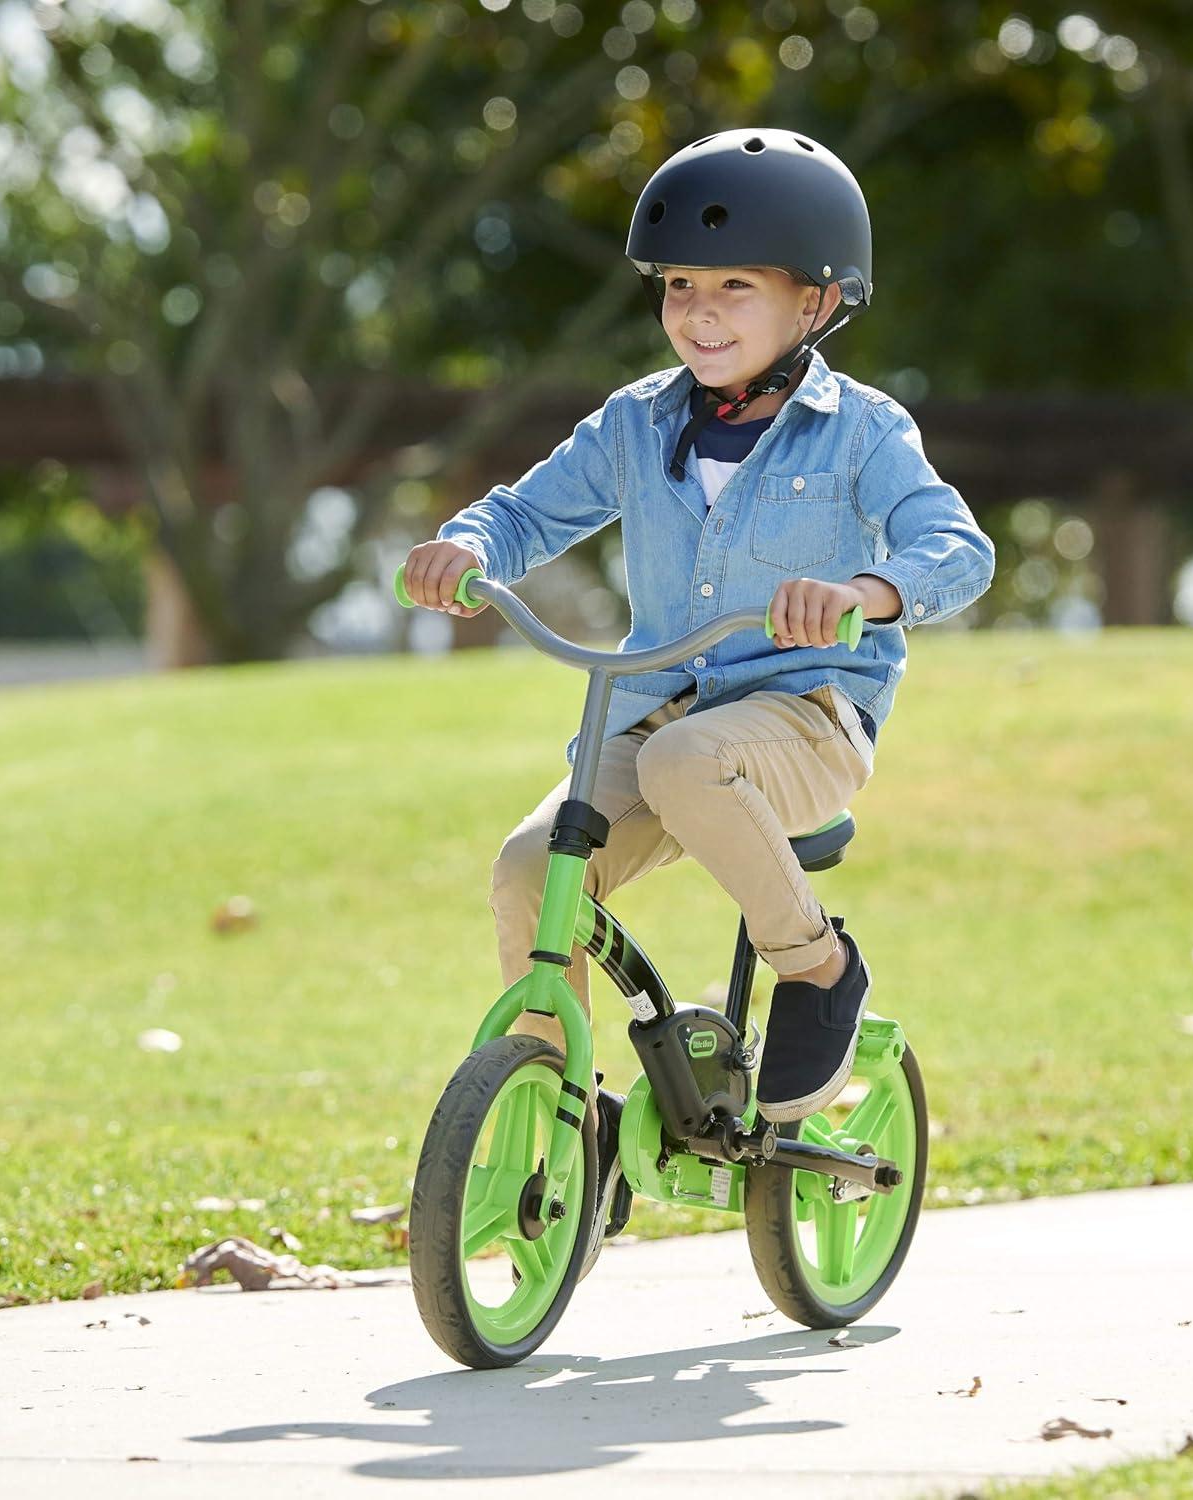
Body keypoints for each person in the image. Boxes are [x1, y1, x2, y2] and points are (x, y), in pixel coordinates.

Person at [402, 129, 994, 1265]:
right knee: (530, 869)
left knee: (688, 765)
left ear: (816, 301)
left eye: (736, 287)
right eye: (680, 286)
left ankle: (816, 968)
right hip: (663, 707)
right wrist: (467, 545)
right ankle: (562, 1117)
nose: (700, 313)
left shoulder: (863, 432)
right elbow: (526, 512)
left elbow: (956, 550)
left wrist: (866, 592)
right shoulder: (636, 422)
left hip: (805, 718)